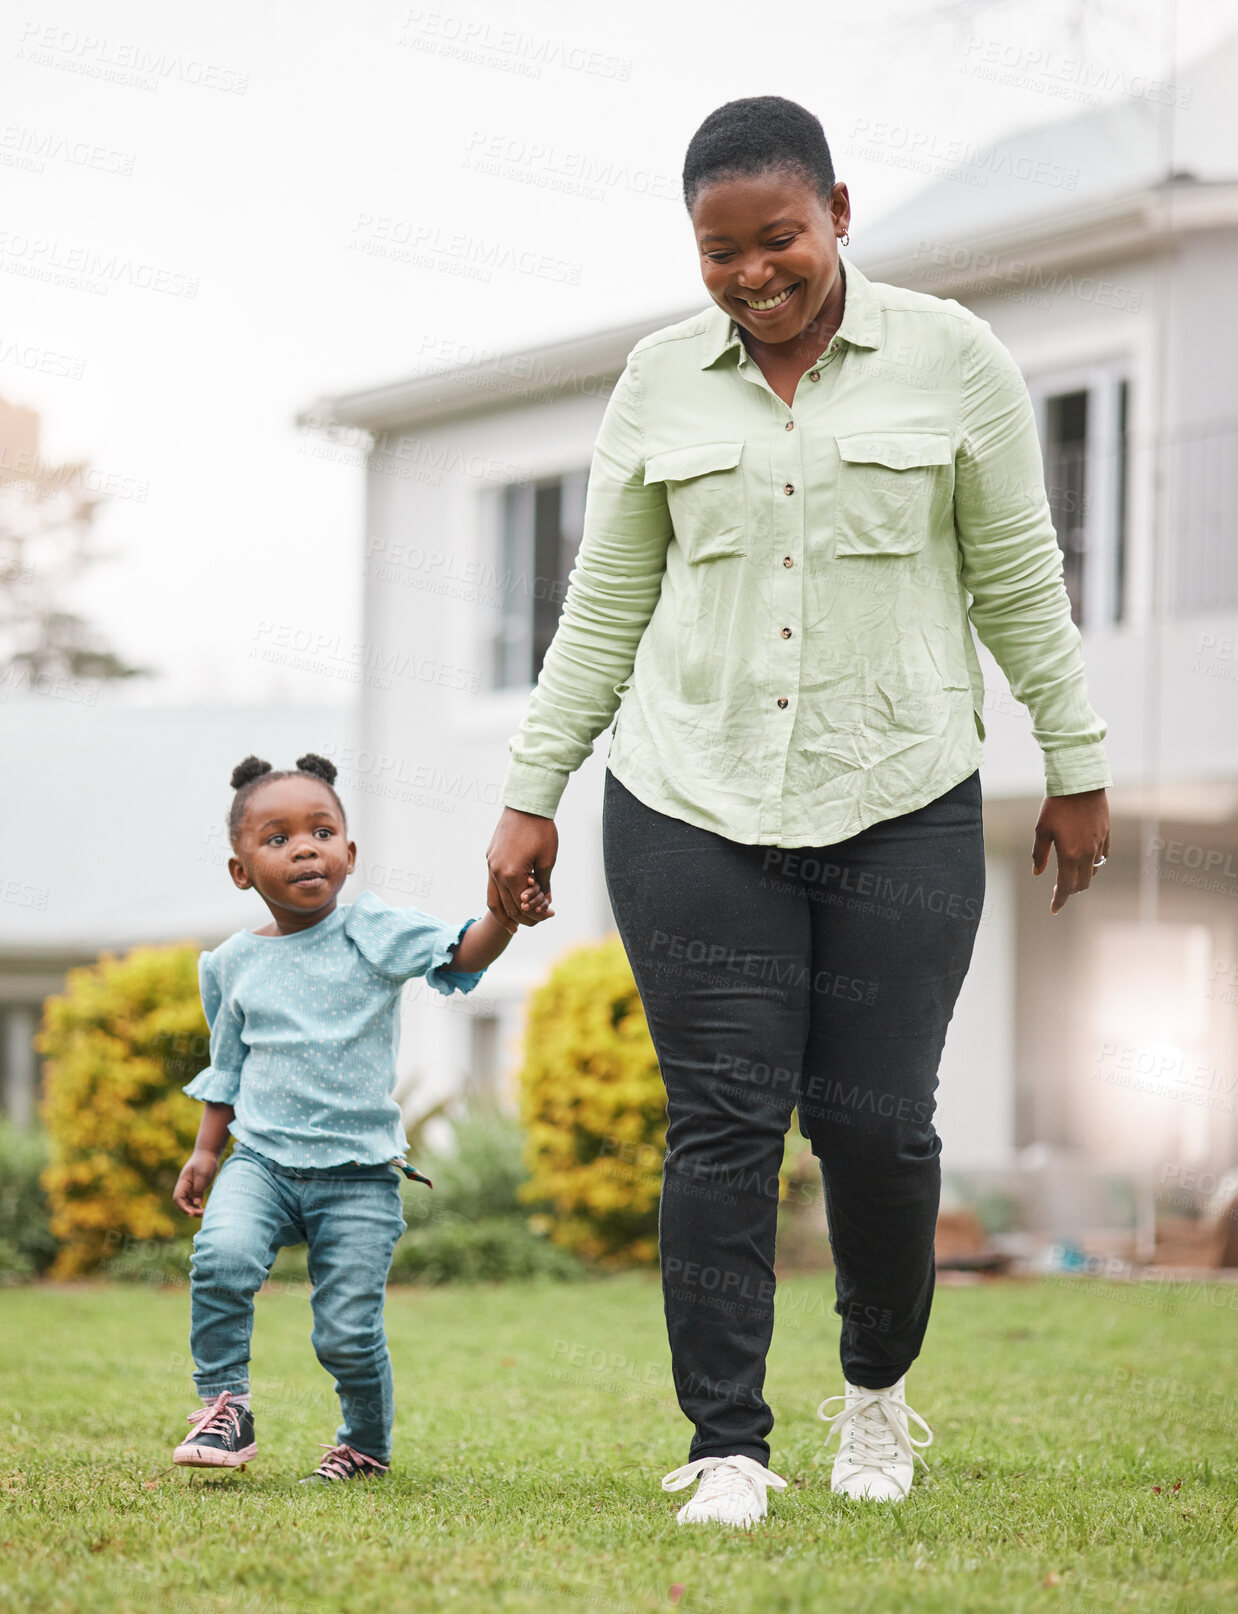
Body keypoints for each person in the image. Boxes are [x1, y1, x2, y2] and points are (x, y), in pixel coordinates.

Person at [485, 96, 1111, 1527]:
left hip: (896, 792)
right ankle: (726, 1442)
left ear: (836, 207)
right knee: (719, 1122)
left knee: (876, 1125)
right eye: (719, 252)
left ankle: (876, 1396)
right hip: (687, 793)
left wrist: (1074, 763)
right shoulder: (655, 382)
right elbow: (603, 603)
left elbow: (1018, 577)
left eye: (778, 238)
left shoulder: (954, 360)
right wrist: (531, 791)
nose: (753, 273)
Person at [171, 752, 550, 1482]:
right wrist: (205, 1152)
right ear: (241, 870)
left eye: (321, 830)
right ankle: (225, 1408)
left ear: (349, 853)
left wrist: (506, 912)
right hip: (263, 1161)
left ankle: (363, 1446)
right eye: (277, 838)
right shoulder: (229, 965)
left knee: (345, 1332)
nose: (304, 846)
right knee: (220, 1259)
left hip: (359, 1176)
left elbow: (464, 953)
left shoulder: (370, 931)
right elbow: (228, 1070)